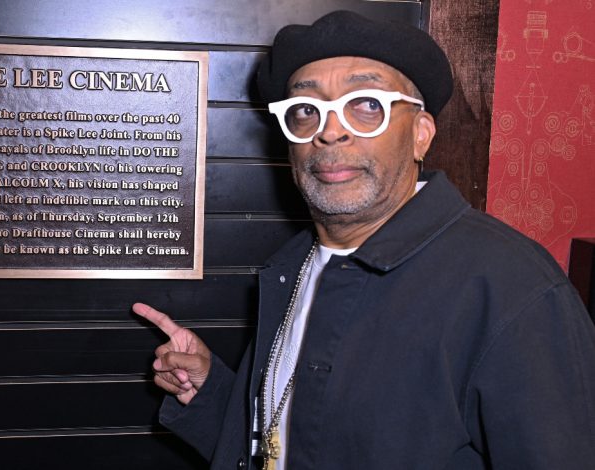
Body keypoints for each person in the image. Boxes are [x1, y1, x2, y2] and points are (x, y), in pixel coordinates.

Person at [133, 10, 595, 470]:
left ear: (421, 135)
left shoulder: (512, 289)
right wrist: (214, 393)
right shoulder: (293, 269)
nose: (330, 131)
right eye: (305, 111)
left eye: (367, 104)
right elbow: (291, 441)